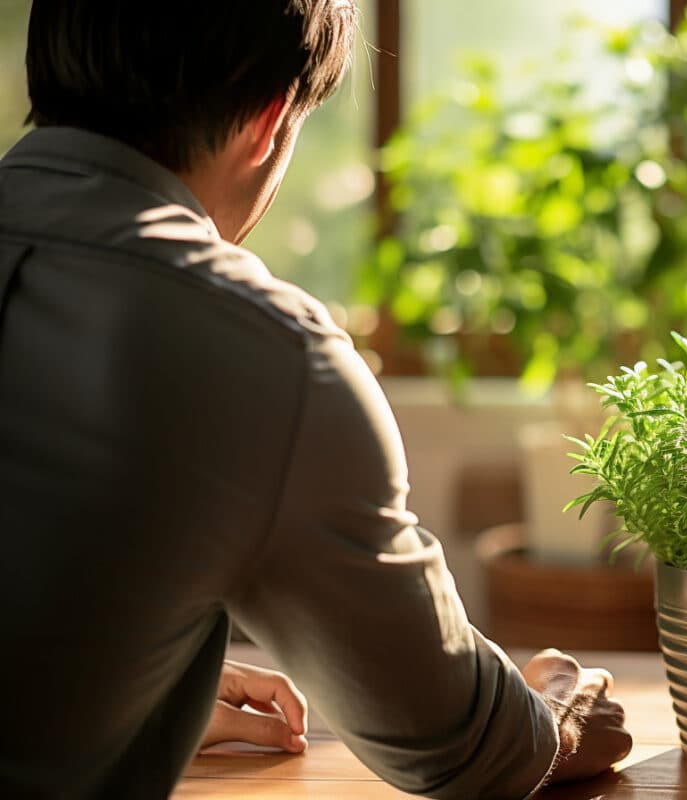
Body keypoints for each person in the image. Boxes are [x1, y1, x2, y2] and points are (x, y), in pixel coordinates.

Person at [0, 1, 632, 797]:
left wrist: (113, 672)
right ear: (269, 121)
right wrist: (562, 713)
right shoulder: (263, 351)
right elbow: (454, 741)